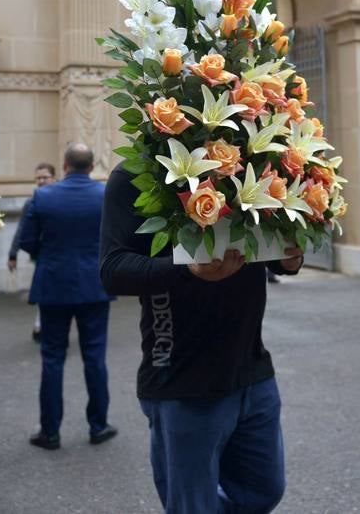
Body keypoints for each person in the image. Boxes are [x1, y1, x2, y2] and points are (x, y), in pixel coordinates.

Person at [100, 164, 304, 513]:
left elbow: (264, 246)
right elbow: (113, 270)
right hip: (180, 378)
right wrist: (187, 268)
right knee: (193, 506)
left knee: (264, 492)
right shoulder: (134, 173)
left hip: (252, 371)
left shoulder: (249, 161)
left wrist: (289, 258)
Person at [17, 144, 118, 451]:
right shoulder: (105, 195)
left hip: (53, 283)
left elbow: (26, 240)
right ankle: (98, 425)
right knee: (95, 358)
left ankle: (50, 431)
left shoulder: (43, 196)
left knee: (52, 359)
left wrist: (48, 257)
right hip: (94, 285)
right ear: (91, 167)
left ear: (65, 166)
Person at [8, 161, 56, 342]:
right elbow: (21, 230)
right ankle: (40, 325)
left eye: (45, 177)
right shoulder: (31, 202)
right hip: (42, 256)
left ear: (54, 178)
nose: (41, 181)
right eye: (38, 178)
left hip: (60, 254)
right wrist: (13, 254)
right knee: (44, 292)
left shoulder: (61, 199)